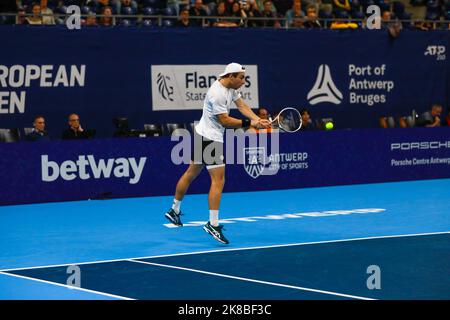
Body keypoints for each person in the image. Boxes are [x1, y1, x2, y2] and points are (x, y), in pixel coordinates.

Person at [165, 63, 271, 244]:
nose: (244, 82)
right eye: (241, 78)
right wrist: (249, 124)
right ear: (231, 76)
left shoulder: (229, 87)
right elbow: (225, 121)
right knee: (218, 180)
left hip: (202, 133)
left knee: (191, 172)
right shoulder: (217, 93)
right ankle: (212, 224)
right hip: (210, 138)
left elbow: (242, 105)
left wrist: (256, 119)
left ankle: (174, 210)